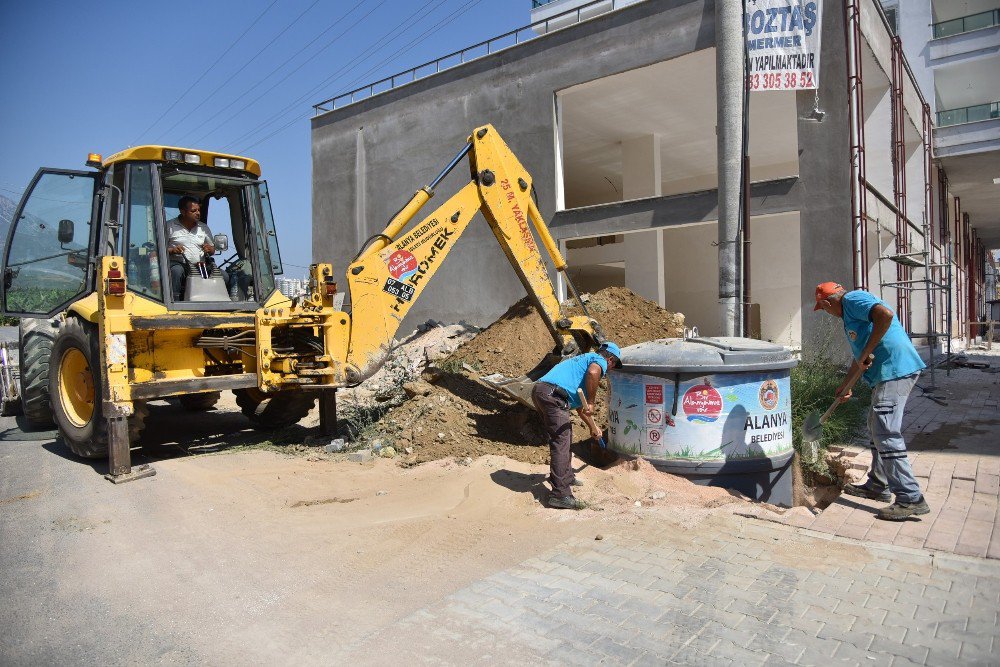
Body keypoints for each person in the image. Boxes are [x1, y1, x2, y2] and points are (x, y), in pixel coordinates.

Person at [813, 281, 929, 521]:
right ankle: (878, 485)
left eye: (823, 309)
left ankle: (910, 498)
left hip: (896, 369)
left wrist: (866, 352)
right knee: (876, 428)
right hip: (886, 374)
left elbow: (885, 315)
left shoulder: (852, 300)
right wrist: (847, 386)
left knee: (886, 432)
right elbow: (860, 357)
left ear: (826, 303)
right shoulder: (850, 317)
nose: (827, 313)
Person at [531, 341, 622, 510]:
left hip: (544, 391)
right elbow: (594, 373)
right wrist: (592, 402)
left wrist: (593, 428)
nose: (611, 369)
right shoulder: (597, 361)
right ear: (610, 359)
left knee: (565, 434)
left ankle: (565, 477)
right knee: (561, 441)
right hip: (553, 394)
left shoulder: (583, 365)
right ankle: (560, 495)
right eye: (614, 365)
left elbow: (581, 409)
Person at [166, 196, 227, 300]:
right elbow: (158, 249)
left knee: (224, 275)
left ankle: (216, 301)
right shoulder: (169, 226)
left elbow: (212, 249)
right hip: (178, 264)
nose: (198, 213)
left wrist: (210, 249)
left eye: (199, 210)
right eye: (193, 211)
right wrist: (172, 250)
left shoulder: (203, 227)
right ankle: (173, 301)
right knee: (176, 271)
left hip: (200, 266)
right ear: (183, 212)